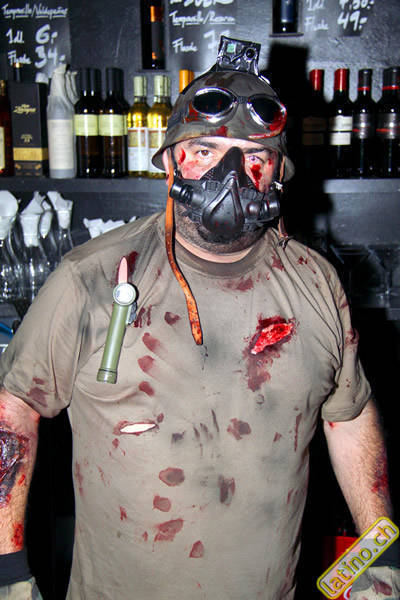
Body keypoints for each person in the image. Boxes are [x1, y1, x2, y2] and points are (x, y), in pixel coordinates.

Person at [0, 36, 399, 600]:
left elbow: (349, 416)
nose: (230, 173)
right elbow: (14, 409)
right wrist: (8, 573)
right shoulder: (92, 277)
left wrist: (380, 553)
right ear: (169, 163)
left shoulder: (315, 283)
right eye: (206, 150)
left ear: (277, 175)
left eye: (254, 156)